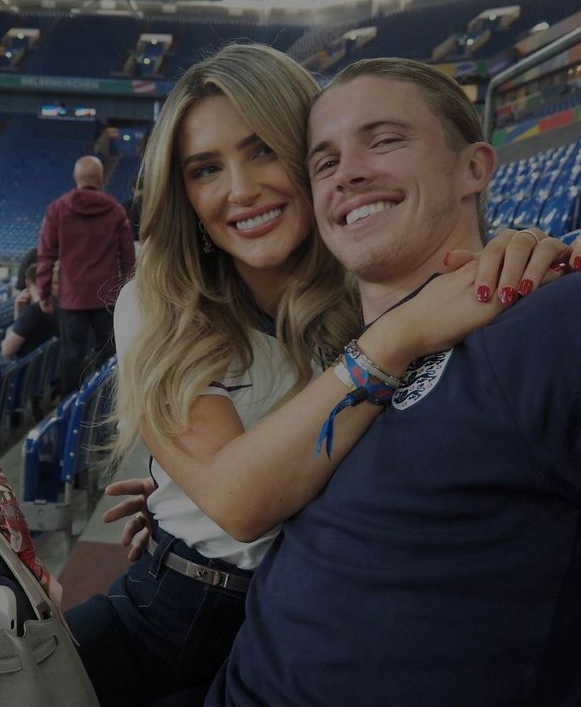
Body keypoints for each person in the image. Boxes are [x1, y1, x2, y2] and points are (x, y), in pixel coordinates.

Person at [66, 46, 575, 707]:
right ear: (183, 193)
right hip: (172, 603)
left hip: (295, 618)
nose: (240, 189)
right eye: (205, 169)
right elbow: (236, 501)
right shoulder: (161, 298)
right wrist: (184, 493)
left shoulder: (369, 275)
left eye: (263, 151)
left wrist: (523, 249)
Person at [36, 155, 135, 396]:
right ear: (100, 179)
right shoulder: (115, 211)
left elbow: (45, 254)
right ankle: (105, 404)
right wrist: (127, 294)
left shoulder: (57, 209)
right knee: (108, 355)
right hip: (107, 299)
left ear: (75, 177)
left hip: (72, 299)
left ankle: (68, 405)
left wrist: (44, 292)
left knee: (71, 354)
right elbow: (128, 258)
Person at [0, 263, 58, 360]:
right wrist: (18, 311)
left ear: (27, 283)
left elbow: (7, 350)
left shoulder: (33, 311)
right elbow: (22, 329)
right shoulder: (58, 304)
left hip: (26, 371)